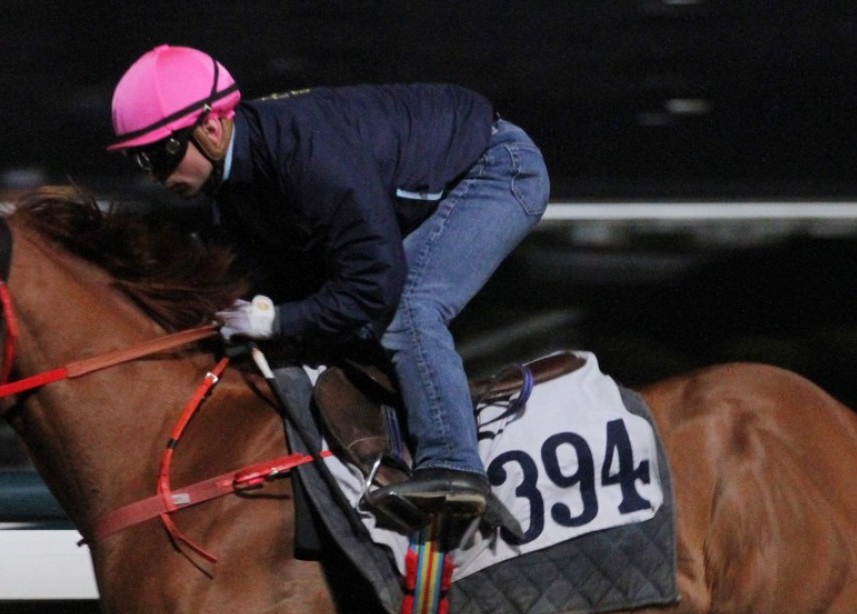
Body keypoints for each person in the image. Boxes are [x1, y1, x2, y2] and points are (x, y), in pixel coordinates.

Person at [109, 44, 550, 518]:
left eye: (161, 154)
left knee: (408, 309)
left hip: (496, 170)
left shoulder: (308, 155)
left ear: (211, 128)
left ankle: (454, 466)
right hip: (429, 179)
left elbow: (374, 281)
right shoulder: (233, 193)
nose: (156, 175)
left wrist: (276, 320)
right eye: (141, 161)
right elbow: (289, 289)